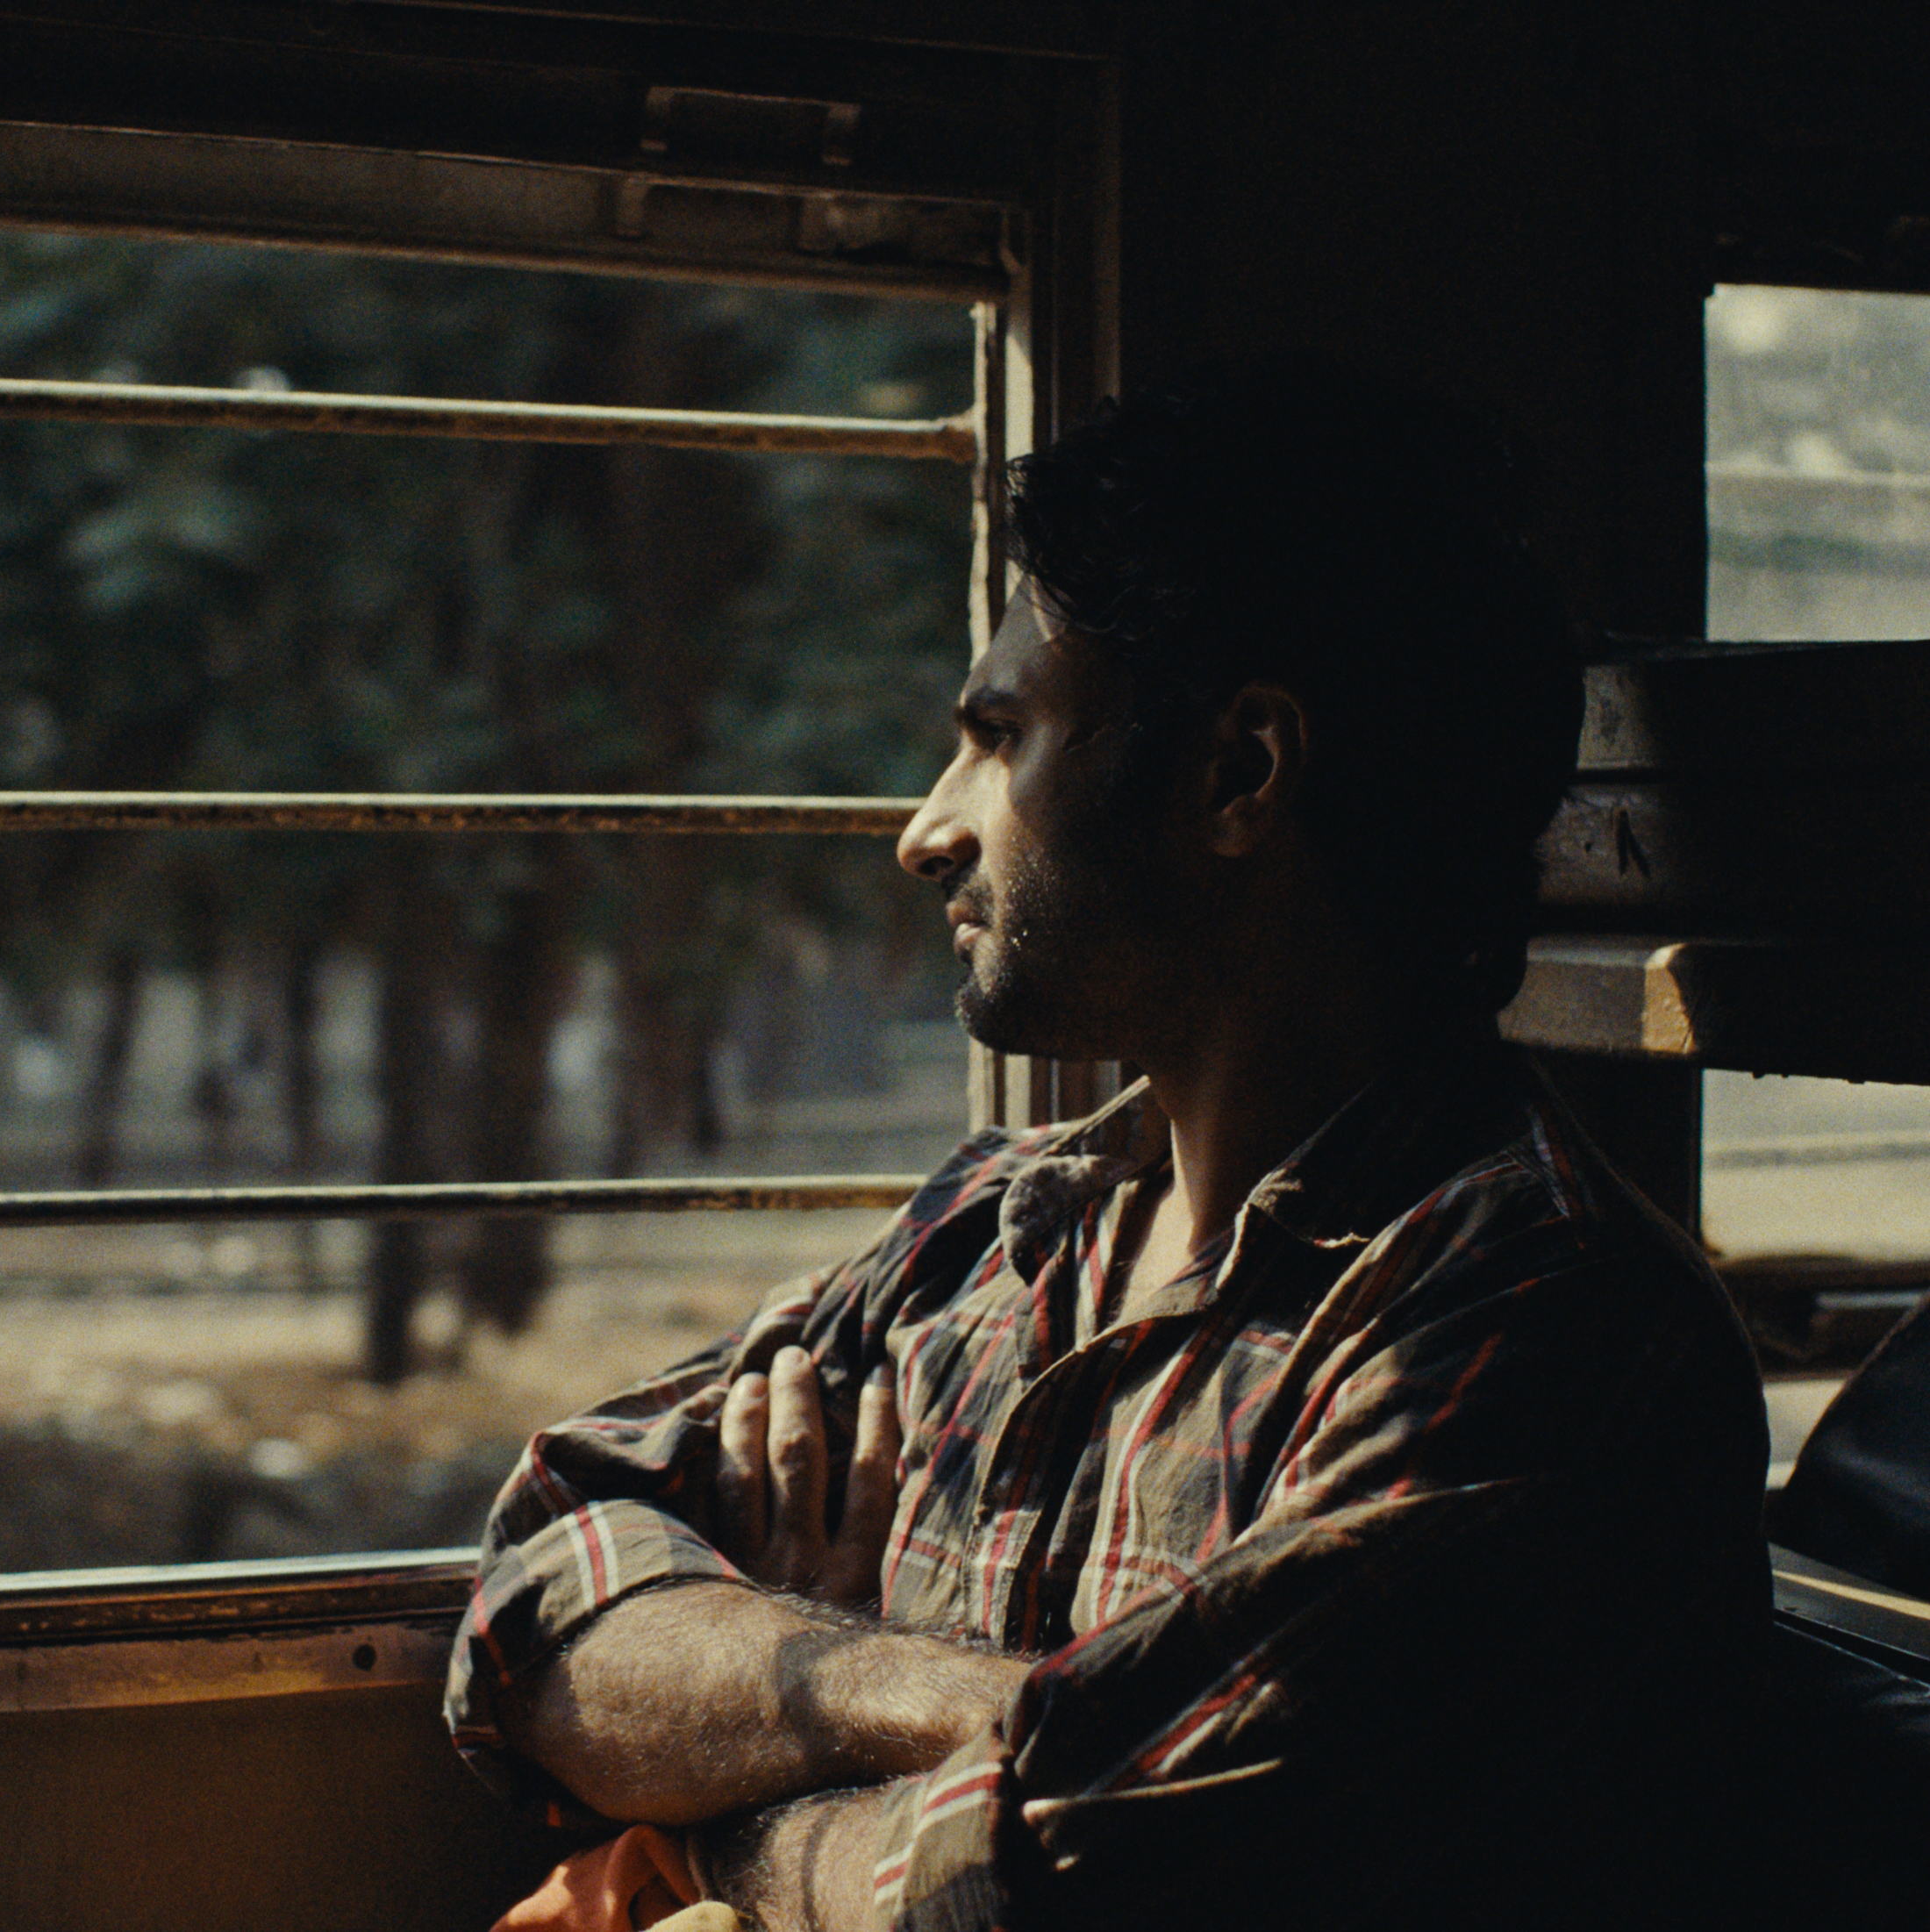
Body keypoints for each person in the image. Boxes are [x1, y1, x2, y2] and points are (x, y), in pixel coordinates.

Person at [444, 362, 1771, 1931]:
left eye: (999, 735)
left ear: (1239, 773)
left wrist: (707, 1817)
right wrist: (913, 1694)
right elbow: (531, 1600)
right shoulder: (998, 1228)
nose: (926, 829)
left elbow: (1045, 1891)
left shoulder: (1539, 1324)